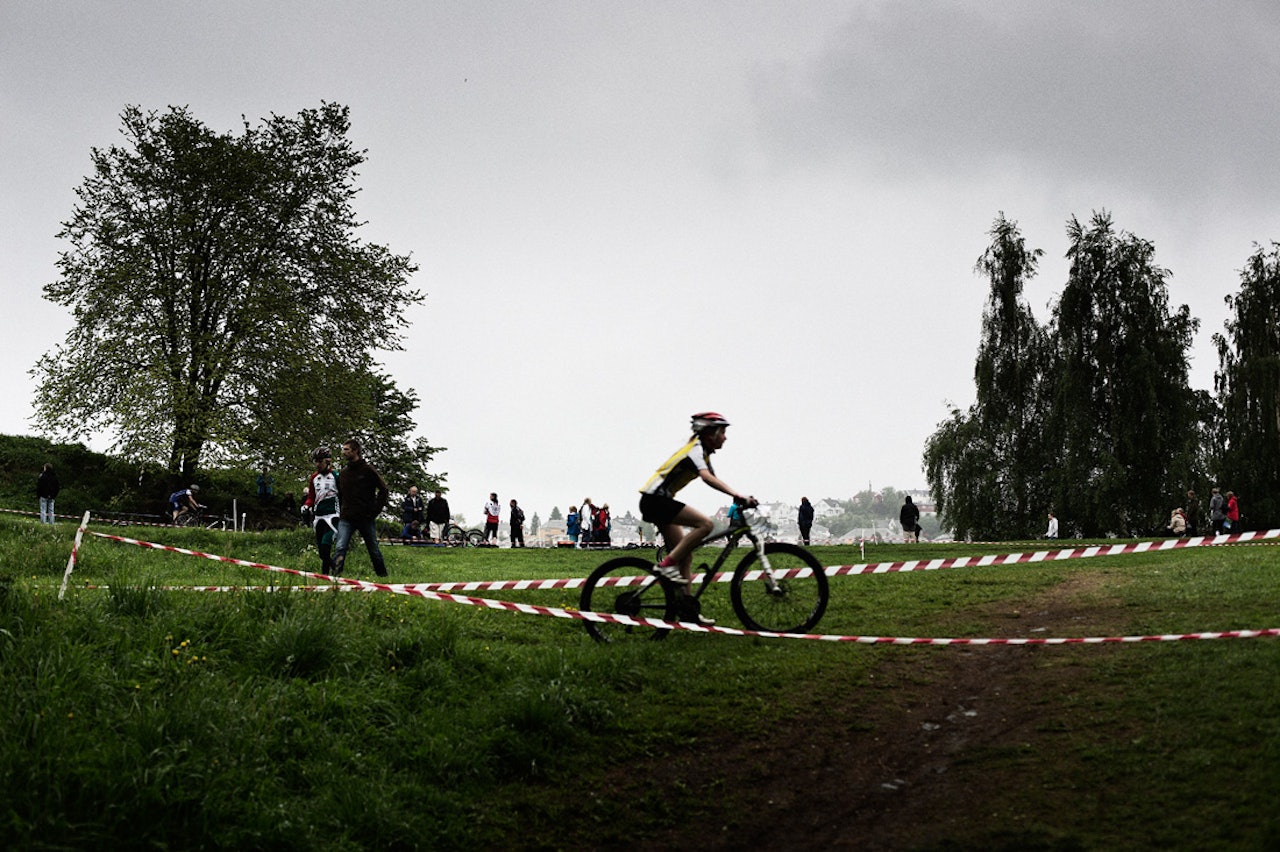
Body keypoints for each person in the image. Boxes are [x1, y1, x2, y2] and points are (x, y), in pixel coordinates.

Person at [640, 412, 757, 625]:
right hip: (655, 500)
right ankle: (665, 566)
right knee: (706, 524)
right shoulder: (694, 449)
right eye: (722, 432)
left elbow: (714, 478)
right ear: (710, 433)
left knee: (685, 557)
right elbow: (707, 478)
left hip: (658, 501)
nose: (725, 437)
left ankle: (687, 610)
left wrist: (738, 496)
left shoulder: (701, 452)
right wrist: (737, 495)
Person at [332, 438, 390, 578]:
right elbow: (340, 494)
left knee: (373, 549)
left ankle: (383, 577)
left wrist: (375, 510)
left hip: (366, 518)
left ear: (355, 451)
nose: (343, 452)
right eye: (343, 449)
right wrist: (341, 510)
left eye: (346, 449)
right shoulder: (344, 473)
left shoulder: (368, 470)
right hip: (346, 518)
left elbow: (384, 490)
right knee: (340, 547)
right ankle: (334, 577)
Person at [301, 447, 340, 573]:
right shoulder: (314, 477)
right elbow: (311, 496)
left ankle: (325, 576)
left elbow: (344, 494)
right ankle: (334, 567)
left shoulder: (335, 476)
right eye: (315, 461)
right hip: (318, 516)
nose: (317, 464)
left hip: (333, 515)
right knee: (322, 553)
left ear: (328, 461)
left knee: (326, 544)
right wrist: (306, 505)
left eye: (320, 461)